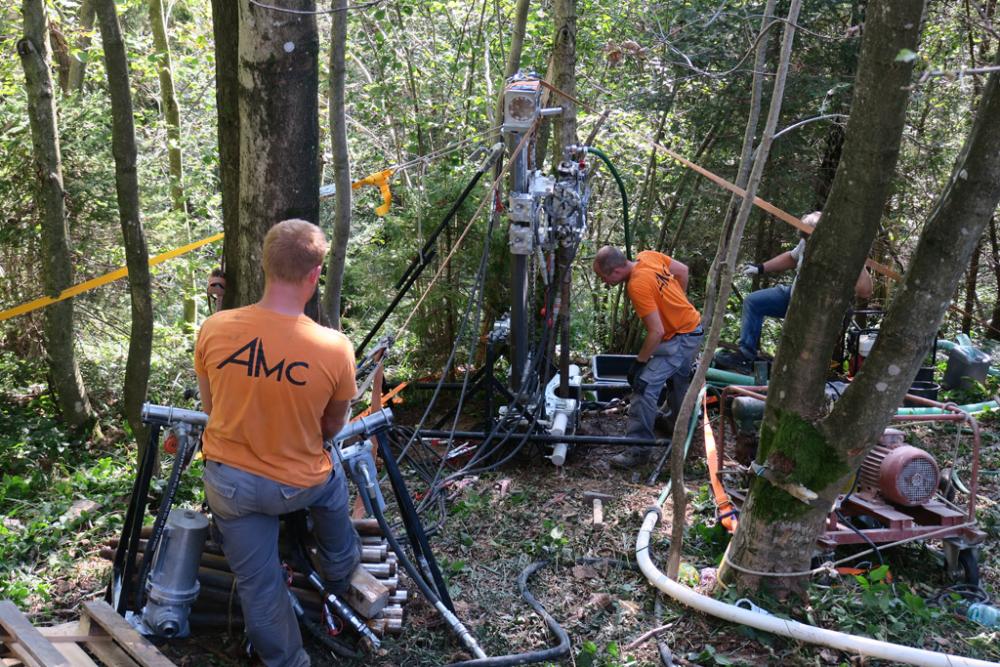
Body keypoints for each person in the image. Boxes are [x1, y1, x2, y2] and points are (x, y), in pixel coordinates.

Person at [194, 219, 361, 667]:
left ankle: (287, 662)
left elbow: (213, 409)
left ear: (263, 265)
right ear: (314, 275)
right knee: (333, 480)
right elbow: (331, 428)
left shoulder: (215, 328)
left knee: (258, 582)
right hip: (297, 484)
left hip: (230, 486)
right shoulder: (334, 347)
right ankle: (341, 571)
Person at [715, 211, 873, 374]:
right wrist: (760, 268)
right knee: (754, 302)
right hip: (794, 294)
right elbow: (791, 257)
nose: (805, 242)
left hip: (819, 311)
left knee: (797, 351)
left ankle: (792, 373)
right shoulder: (808, 238)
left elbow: (865, 292)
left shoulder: (843, 251)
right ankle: (746, 356)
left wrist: (858, 261)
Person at [593, 246, 703, 467]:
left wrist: (639, 363)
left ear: (615, 271)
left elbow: (656, 332)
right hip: (692, 328)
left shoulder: (637, 285)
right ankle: (676, 426)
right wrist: (674, 304)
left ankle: (639, 451)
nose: (605, 283)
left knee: (644, 386)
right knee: (678, 380)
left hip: (681, 338)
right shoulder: (648, 256)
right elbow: (682, 271)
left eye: (604, 277)